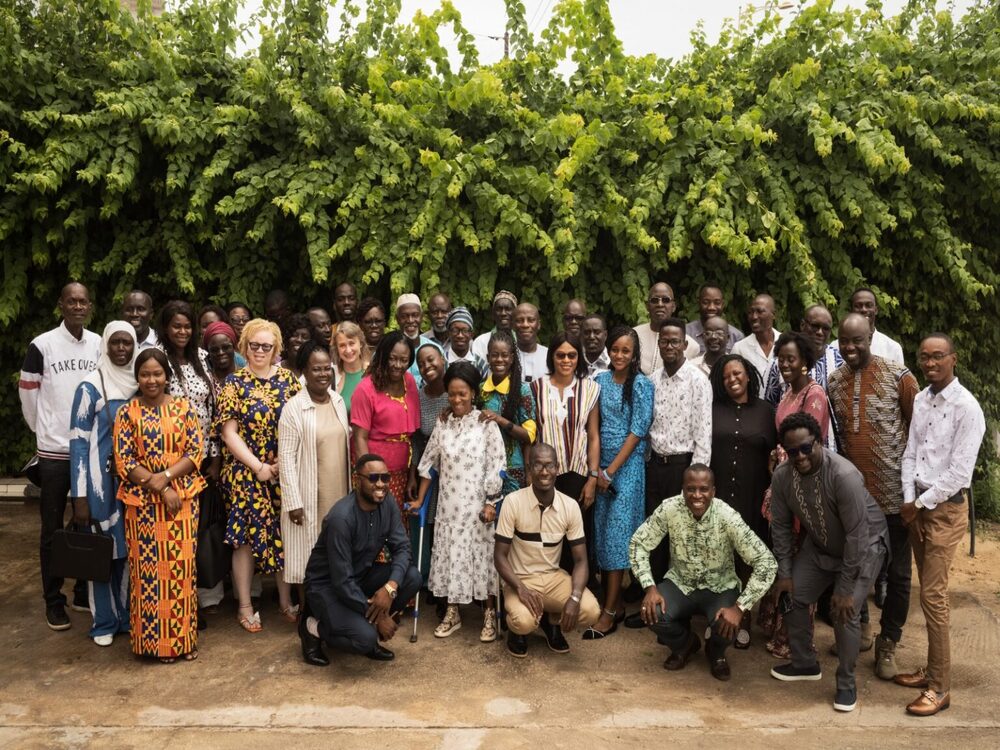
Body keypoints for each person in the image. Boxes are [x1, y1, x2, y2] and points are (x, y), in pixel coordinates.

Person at [769, 412, 888, 713]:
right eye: (793, 451)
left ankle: (846, 683)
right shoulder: (782, 476)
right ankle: (804, 663)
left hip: (865, 546)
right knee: (792, 594)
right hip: (821, 545)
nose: (801, 456)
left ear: (819, 442)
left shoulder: (844, 475)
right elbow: (781, 526)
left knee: (843, 610)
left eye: (806, 448)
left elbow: (857, 536)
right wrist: (784, 572)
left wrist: (845, 587)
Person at [896, 333, 985, 716]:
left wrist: (919, 504)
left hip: (944, 509)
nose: (930, 364)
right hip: (915, 506)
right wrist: (906, 499)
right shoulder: (920, 399)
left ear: (954, 359)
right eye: (924, 358)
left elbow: (959, 473)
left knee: (934, 597)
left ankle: (940, 688)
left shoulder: (968, 408)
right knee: (927, 593)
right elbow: (910, 453)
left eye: (938, 357)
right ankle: (932, 669)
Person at [828, 313, 919, 680]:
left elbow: (919, 432)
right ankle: (862, 629)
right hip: (856, 500)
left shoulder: (900, 376)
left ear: (870, 337)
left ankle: (889, 643)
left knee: (897, 575)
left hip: (898, 499)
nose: (851, 348)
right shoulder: (834, 382)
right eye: (845, 342)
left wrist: (917, 493)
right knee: (855, 567)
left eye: (858, 341)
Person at [630, 465, 776, 681]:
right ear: (683, 490)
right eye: (690, 489)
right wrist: (649, 587)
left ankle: (715, 653)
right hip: (680, 584)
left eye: (703, 489)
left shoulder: (727, 516)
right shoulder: (670, 508)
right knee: (650, 611)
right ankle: (684, 645)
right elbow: (638, 543)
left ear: (713, 491)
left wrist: (740, 607)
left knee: (726, 623)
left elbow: (766, 562)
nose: (697, 495)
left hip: (720, 587)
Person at [113, 348, 206, 662]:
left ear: (167, 376)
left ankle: (183, 642)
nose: (151, 380)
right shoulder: (128, 413)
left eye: (157, 373)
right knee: (148, 575)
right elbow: (123, 460)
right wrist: (156, 485)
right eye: (145, 374)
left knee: (181, 572)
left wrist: (164, 479)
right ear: (137, 377)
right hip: (142, 507)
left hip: (180, 502)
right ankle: (153, 646)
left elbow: (195, 452)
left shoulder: (183, 407)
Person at [19, 281, 101, 630]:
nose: (78, 307)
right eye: (72, 301)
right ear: (61, 305)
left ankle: (83, 588)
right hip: (54, 452)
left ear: (89, 306)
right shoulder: (42, 345)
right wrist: (47, 431)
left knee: (87, 519)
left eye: (83, 302)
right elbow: (29, 397)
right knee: (51, 529)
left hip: (89, 449)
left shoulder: (98, 343)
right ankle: (54, 601)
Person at [217, 318, 302, 632]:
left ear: (276, 349)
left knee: (284, 533)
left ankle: (284, 600)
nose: (260, 351)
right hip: (245, 472)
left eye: (267, 346)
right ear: (245, 347)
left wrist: (281, 460)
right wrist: (258, 467)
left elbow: (299, 424)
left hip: (282, 469)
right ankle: (245, 605)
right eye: (255, 345)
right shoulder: (234, 383)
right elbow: (229, 434)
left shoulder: (289, 381)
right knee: (244, 540)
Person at [626, 317, 712, 626]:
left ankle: (681, 612)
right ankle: (654, 604)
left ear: (685, 345)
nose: (670, 346)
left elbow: (704, 435)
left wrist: (696, 483)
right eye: (665, 342)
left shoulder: (698, 380)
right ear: (659, 345)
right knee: (655, 537)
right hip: (655, 467)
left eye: (676, 341)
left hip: (683, 468)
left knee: (681, 539)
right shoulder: (652, 380)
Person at [412, 362, 507, 642]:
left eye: (462, 394)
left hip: (479, 507)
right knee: (451, 555)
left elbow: (497, 463)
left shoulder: (486, 424)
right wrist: (419, 499)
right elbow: (429, 464)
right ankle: (452, 612)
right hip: (449, 507)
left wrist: (491, 501)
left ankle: (489, 613)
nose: (456, 400)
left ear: (473, 394)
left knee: (484, 557)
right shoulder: (442, 423)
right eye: (452, 394)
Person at [299, 454, 423, 665]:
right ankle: (312, 628)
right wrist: (382, 617)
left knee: (412, 577)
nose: (381, 484)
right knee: (364, 639)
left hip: (360, 576)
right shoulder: (341, 518)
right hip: (327, 588)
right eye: (373, 478)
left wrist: (390, 588)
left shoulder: (388, 502)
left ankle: (366, 627)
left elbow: (402, 547)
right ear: (358, 479)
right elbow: (342, 582)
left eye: (386, 477)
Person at [495, 444, 602, 657]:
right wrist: (520, 588)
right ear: (530, 468)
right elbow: (499, 556)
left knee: (590, 611)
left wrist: (574, 597)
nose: (544, 472)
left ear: (557, 468)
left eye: (549, 466)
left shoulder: (570, 506)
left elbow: (580, 560)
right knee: (523, 622)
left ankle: (551, 622)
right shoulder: (513, 502)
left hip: (553, 578)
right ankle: (517, 633)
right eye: (538, 465)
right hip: (520, 579)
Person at [69, 322, 138, 646]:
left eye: (127, 343)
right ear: (106, 345)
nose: (122, 349)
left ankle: (125, 617)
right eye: (116, 343)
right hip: (98, 485)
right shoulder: (90, 386)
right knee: (102, 552)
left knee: (127, 551)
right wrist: (79, 495)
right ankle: (103, 622)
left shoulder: (140, 382)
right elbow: (78, 443)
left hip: (132, 482)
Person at [584, 327, 654, 639]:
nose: (620, 355)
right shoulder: (598, 381)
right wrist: (596, 470)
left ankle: (609, 612)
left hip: (627, 468)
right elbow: (594, 430)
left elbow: (638, 430)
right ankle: (616, 604)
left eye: (626, 350)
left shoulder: (642, 384)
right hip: (601, 469)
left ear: (634, 354)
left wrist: (611, 471)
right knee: (602, 535)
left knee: (616, 536)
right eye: (615, 349)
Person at [278, 342, 352, 613]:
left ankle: (334, 610)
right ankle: (308, 613)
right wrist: (292, 502)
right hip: (308, 495)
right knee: (307, 557)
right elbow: (285, 458)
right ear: (304, 372)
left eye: (326, 369)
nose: (323, 374)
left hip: (339, 494)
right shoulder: (294, 408)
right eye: (315, 369)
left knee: (337, 552)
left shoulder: (338, 400)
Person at [709, 354, 776, 647]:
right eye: (726, 377)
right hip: (719, 492)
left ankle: (744, 613)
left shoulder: (766, 411)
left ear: (748, 375)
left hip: (752, 492)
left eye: (737, 374)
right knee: (719, 556)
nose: (732, 379)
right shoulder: (712, 409)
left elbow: (775, 454)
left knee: (748, 556)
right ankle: (716, 614)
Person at [351, 332, 420, 522]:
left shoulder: (410, 382)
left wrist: (412, 475)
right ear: (382, 356)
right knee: (373, 525)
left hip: (401, 474)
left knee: (395, 528)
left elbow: (412, 436)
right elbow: (359, 438)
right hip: (374, 475)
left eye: (404, 360)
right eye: (392, 359)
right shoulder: (366, 388)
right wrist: (371, 477)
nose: (398, 365)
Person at [531, 333, 601, 509]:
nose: (566, 360)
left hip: (577, 473)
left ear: (579, 357)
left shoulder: (590, 389)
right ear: (552, 357)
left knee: (575, 532)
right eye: (560, 355)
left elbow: (593, 436)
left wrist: (592, 478)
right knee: (545, 531)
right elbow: (530, 435)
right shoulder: (535, 388)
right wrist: (528, 473)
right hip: (543, 474)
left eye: (572, 355)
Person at [157, 301, 218, 483]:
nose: (183, 332)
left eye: (187, 327)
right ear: (166, 328)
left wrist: (215, 460)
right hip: (171, 452)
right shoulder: (157, 358)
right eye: (177, 326)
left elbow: (212, 410)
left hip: (204, 451)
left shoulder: (202, 357)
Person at [480, 329, 537, 496]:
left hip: (514, 469)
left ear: (512, 358)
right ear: (488, 358)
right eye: (495, 355)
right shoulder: (479, 390)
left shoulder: (522, 390)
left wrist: (500, 420)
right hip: (484, 466)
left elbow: (529, 436)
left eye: (504, 355)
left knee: (513, 519)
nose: (499, 359)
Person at [764, 304, 843, 406]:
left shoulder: (838, 361)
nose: (820, 332)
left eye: (825, 328)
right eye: (815, 326)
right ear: (802, 325)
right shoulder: (780, 361)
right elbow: (768, 405)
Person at [633, 282, 698, 375]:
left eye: (666, 300)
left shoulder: (691, 346)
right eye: (655, 300)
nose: (660, 304)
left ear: (673, 306)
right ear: (647, 306)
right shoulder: (634, 335)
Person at [832, 288, 904, 365]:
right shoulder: (835, 348)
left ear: (876, 310)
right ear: (851, 310)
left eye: (869, 305)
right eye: (858, 306)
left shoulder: (892, 348)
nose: (864, 309)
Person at [731, 294, 780, 395]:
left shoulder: (786, 343)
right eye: (751, 312)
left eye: (760, 311)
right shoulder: (740, 348)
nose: (754, 317)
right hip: (752, 408)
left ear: (774, 314)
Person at [687, 284, 744, 354]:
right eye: (706, 302)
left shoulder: (736, 336)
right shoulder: (686, 333)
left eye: (717, 303)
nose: (711, 307)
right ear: (699, 303)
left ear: (723, 304)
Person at [331, 321, 370, 415]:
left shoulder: (372, 371)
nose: (348, 350)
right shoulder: (331, 375)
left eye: (351, 343)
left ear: (360, 343)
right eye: (342, 345)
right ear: (337, 349)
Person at [443, 306, 489, 378]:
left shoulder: (480, 364)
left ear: (471, 334)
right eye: (455, 330)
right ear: (448, 333)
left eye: (465, 331)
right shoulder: (441, 362)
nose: (460, 335)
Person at [472, 290, 518, 361]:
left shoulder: (521, 342)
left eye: (508, 309)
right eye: (499, 309)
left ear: (515, 314)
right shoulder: (481, 342)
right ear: (493, 314)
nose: (503, 313)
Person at [513, 303, 548, 382]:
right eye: (520, 320)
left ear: (538, 324)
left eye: (531, 320)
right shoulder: (506, 356)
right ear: (513, 325)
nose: (525, 325)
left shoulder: (549, 356)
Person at [279, 313, 313, 381]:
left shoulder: (315, 370)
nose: (299, 340)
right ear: (286, 339)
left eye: (304, 337)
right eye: (294, 335)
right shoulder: (274, 371)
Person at [581, 313, 610, 378]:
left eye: (597, 332)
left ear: (605, 335)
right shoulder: (575, 361)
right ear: (581, 336)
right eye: (587, 332)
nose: (591, 337)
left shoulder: (613, 362)